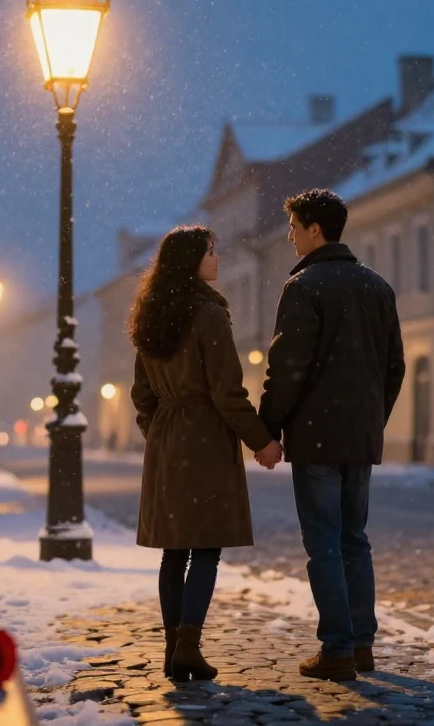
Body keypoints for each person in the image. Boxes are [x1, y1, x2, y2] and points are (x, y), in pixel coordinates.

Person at [259, 189, 405, 682]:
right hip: (359, 435)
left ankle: (337, 648)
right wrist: (370, 418)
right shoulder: (377, 287)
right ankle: (362, 645)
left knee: (323, 543)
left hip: (317, 436)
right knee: (354, 541)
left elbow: (287, 366)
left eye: (294, 227)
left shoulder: (304, 286)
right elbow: (394, 368)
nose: (290, 236)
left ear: (314, 230)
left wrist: (269, 426)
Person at [129, 225, 282, 682]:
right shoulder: (208, 315)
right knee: (206, 549)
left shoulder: (150, 316)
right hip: (204, 442)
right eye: (212, 252)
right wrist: (263, 441)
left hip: (167, 439)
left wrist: (159, 432)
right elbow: (228, 393)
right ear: (192, 260)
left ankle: (174, 647)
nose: (218, 260)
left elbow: (142, 395)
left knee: (173, 552)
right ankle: (189, 648)